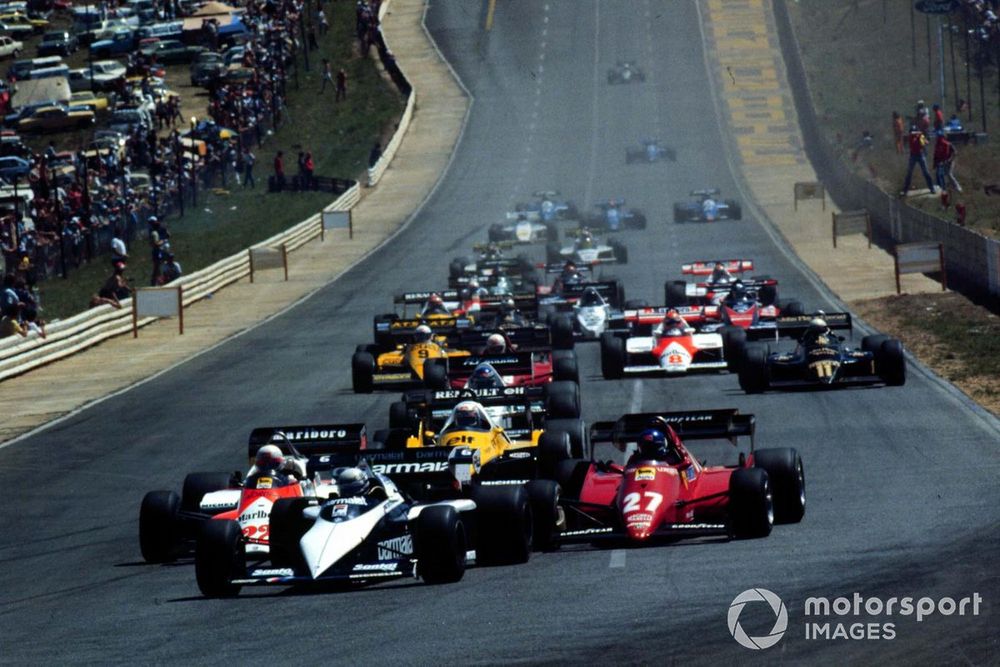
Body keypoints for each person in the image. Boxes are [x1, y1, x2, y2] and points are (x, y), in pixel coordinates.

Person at [900, 125, 936, 196]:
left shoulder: (920, 136)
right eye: (912, 132)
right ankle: (905, 190)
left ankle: (931, 188)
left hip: (920, 155)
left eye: (914, 131)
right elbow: (909, 138)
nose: (913, 133)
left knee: (926, 172)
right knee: (909, 173)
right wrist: (918, 134)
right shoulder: (911, 137)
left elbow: (924, 143)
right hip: (913, 155)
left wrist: (923, 137)